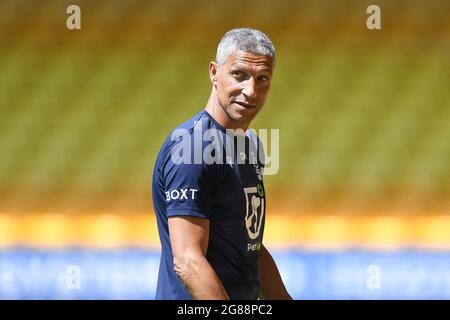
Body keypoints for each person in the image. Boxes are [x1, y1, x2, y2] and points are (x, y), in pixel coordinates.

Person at [152, 28, 292, 300]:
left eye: (262, 78)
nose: (250, 91)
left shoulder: (250, 144)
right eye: (239, 75)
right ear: (214, 73)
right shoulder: (191, 149)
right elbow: (188, 261)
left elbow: (249, 245)